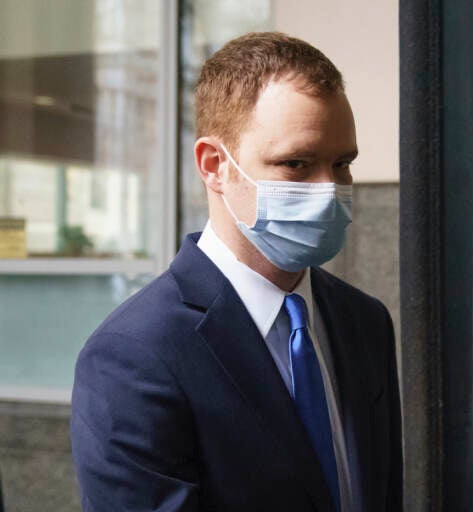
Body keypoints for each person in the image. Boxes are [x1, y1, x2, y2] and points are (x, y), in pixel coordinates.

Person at [70, 32, 402, 512]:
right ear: (214, 166)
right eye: (297, 164)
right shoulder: (134, 356)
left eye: (342, 163)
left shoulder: (365, 322)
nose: (330, 190)